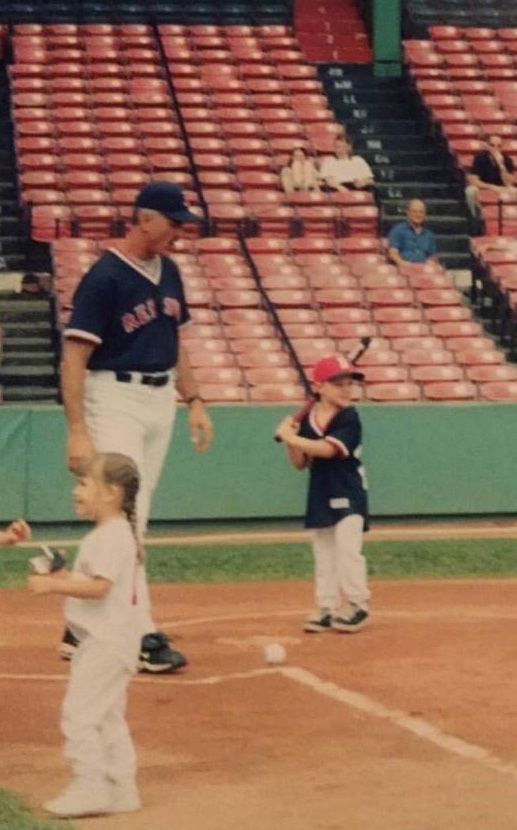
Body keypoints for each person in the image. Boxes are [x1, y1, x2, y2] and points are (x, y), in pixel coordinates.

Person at [60, 181, 214, 674]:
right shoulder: (104, 277)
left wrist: (194, 400)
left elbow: (178, 341)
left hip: (159, 398)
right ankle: (141, 631)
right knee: (127, 512)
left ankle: (79, 624)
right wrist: (78, 428)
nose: (181, 233)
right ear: (145, 219)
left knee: (133, 513)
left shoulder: (169, 271)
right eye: (174, 223)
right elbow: (74, 356)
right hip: (114, 395)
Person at [28, 453, 146, 818]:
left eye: (83, 483)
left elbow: (99, 589)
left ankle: (90, 786)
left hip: (107, 642)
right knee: (107, 716)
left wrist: (50, 586)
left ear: (111, 493)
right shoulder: (112, 534)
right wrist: (64, 578)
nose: (75, 490)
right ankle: (120, 789)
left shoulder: (110, 536)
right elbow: (94, 582)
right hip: (112, 639)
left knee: (78, 715)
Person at [274, 354, 371, 634]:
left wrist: (292, 437)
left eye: (348, 383)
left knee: (347, 550)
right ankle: (326, 606)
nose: (346, 389)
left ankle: (357, 604)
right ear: (319, 387)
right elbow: (300, 463)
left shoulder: (349, 417)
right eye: (337, 383)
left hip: (349, 492)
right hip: (320, 491)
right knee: (324, 552)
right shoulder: (308, 421)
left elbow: (329, 450)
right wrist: (290, 441)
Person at [465, 133, 516, 230]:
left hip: (501, 188)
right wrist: (491, 187)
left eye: (499, 146)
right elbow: (474, 180)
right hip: (483, 187)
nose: (496, 148)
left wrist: (501, 165)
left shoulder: (507, 159)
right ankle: (475, 218)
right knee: (470, 191)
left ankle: (511, 221)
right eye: (493, 145)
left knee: (515, 191)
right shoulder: (480, 157)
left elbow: (509, 183)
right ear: (488, 146)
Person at [387, 198, 437, 266]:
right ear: (408, 212)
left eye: (421, 212)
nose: (418, 215)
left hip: (423, 269)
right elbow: (393, 254)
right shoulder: (398, 230)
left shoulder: (429, 235)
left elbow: (432, 257)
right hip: (403, 269)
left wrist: (431, 262)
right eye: (415, 212)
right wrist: (402, 263)